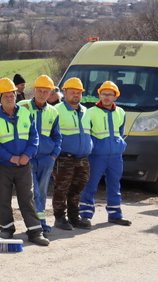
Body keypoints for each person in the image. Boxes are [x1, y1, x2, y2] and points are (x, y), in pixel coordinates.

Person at [0, 78, 48, 246]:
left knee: (27, 198)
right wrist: (10, 157)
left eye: (12, 95)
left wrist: (27, 155)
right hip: (3, 166)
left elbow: (34, 137)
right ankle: (7, 229)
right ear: (0, 98)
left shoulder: (25, 113)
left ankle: (35, 231)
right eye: (6, 96)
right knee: (3, 198)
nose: (10, 98)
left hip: (24, 165)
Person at [79, 81, 132, 226]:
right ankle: (85, 215)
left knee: (115, 185)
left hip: (115, 156)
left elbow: (120, 133)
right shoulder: (90, 112)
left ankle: (115, 214)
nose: (106, 97)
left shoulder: (121, 112)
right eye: (104, 94)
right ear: (99, 95)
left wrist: (119, 145)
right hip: (96, 156)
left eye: (110, 95)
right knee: (90, 185)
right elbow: (85, 135)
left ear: (116, 97)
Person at [19, 75, 62, 234]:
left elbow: (57, 136)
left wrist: (53, 155)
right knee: (34, 192)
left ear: (50, 93)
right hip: (28, 157)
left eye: (46, 91)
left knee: (42, 192)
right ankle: (36, 223)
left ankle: (40, 222)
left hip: (46, 159)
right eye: (40, 90)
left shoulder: (53, 112)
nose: (43, 94)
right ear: (34, 90)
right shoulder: (22, 107)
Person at [52, 78, 92, 230]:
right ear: (65, 92)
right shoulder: (56, 110)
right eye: (73, 92)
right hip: (64, 158)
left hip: (82, 158)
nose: (76, 95)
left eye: (78, 92)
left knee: (77, 189)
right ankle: (60, 218)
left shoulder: (86, 111)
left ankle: (74, 217)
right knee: (62, 188)